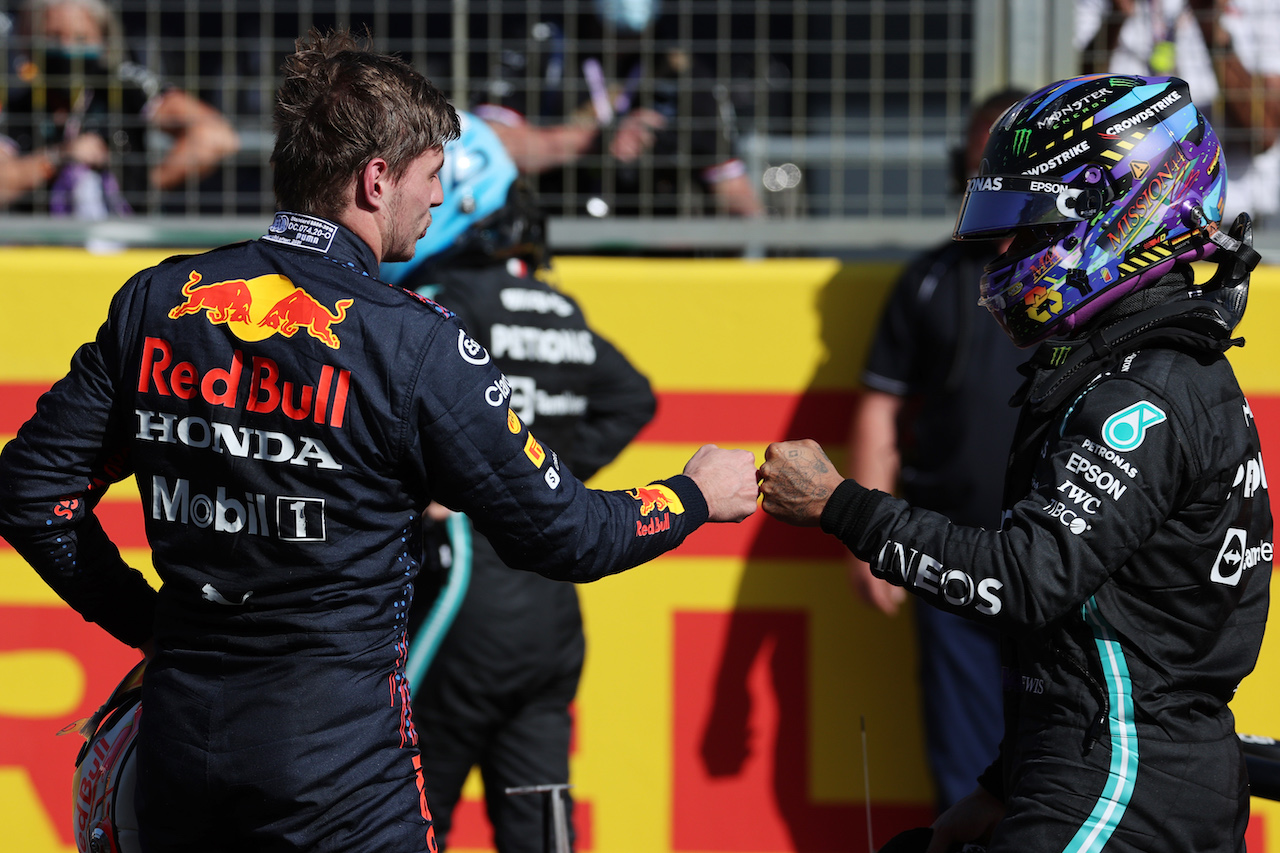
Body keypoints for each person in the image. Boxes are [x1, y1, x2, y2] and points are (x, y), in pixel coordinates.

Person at [0, 28, 759, 853]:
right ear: (376, 180)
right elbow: (566, 532)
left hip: (178, 744)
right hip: (338, 770)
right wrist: (693, 496)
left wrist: (154, 627)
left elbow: (32, 495)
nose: (437, 203)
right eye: (432, 178)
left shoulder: (159, 299)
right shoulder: (416, 342)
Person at [758, 74, 1270, 853]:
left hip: (1122, 787)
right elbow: (1098, 635)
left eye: (1030, 230)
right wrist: (998, 790)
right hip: (1112, 770)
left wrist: (840, 505)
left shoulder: (1144, 393)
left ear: (1122, 214)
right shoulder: (1147, 366)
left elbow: (1028, 579)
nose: (1009, 252)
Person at [383, 111, 657, 852]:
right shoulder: (559, 306)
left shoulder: (438, 302)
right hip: (551, 621)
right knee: (541, 827)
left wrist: (474, 483)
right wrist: (549, 480)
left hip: (464, 603)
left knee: (402, 814)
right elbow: (635, 395)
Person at [847, 89, 1025, 813]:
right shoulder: (928, 281)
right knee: (966, 774)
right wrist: (866, 538)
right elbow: (880, 414)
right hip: (950, 558)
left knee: (1072, 759)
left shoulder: (1099, 283)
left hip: (1072, 561)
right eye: (981, 157)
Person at [469, 0, 764, 218]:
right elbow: (490, 146)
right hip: (555, 235)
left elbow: (736, 192)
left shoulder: (683, 73)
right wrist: (597, 139)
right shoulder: (544, 47)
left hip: (652, 248)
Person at [0, 0, 240, 215]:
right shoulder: (20, 105)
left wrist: (142, 189)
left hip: (125, 248)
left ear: (104, 41)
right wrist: (59, 157)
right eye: (53, 36)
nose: (67, 48)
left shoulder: (125, 89)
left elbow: (216, 137)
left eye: (81, 38)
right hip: (44, 250)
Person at [1076, 0, 1280, 222]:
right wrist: (1116, 19)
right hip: (1132, 217)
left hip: (1233, 216)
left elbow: (1264, 135)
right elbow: (1081, 107)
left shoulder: (1261, 5)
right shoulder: (1099, 5)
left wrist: (1210, 24)